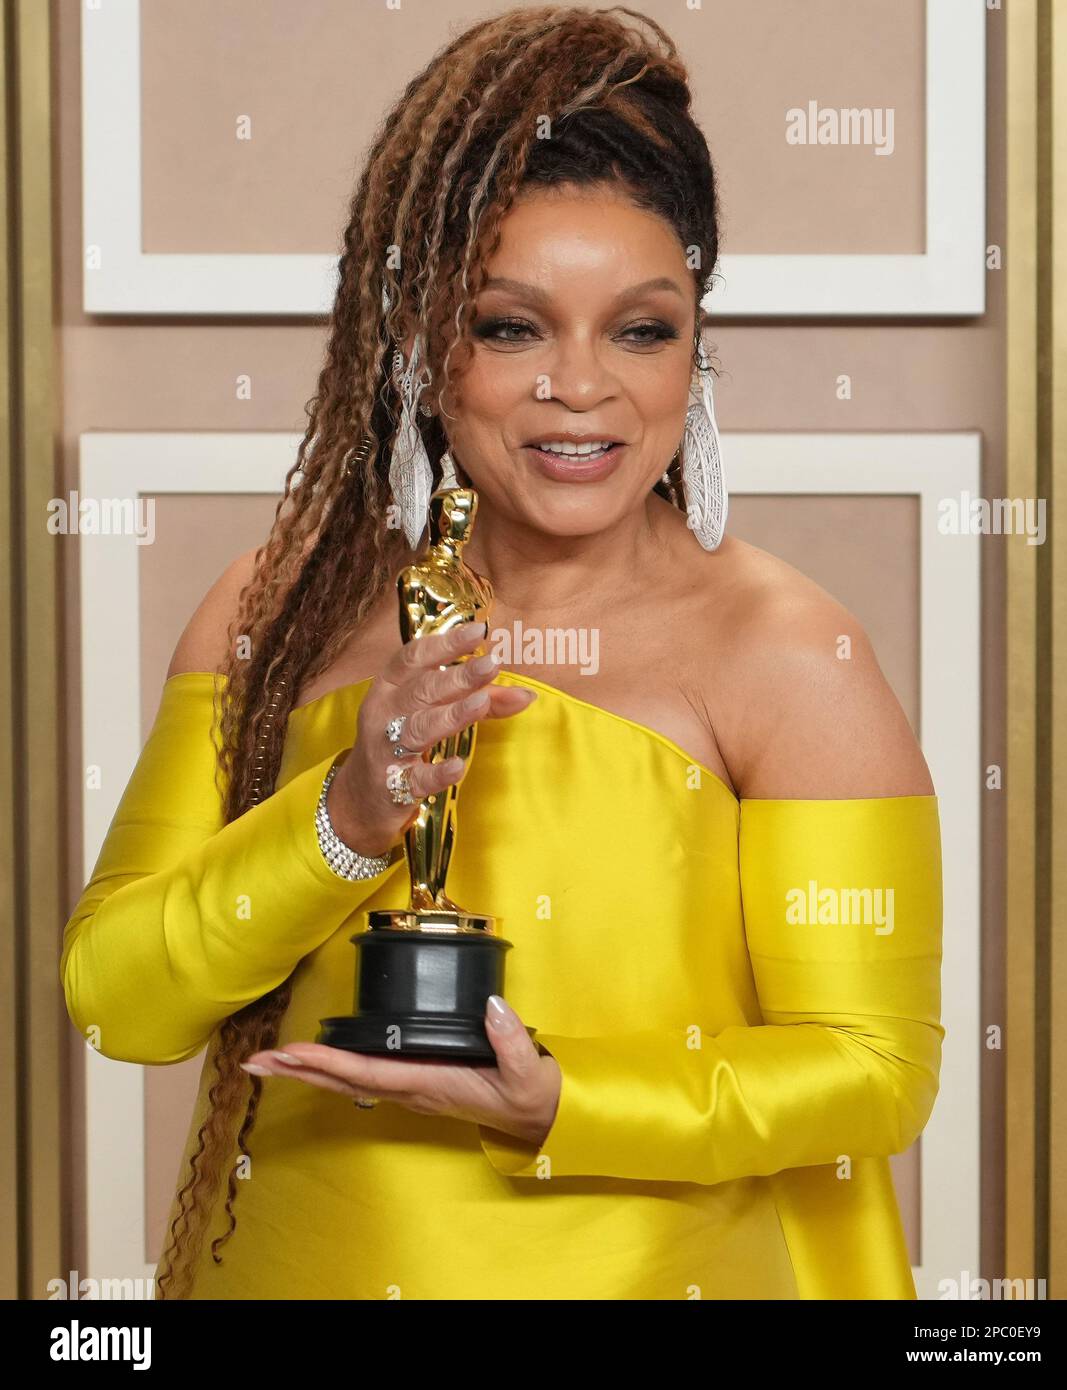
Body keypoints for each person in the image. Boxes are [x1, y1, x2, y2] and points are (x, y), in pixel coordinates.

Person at [61, 5, 943, 1300]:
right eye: (511, 326)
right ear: (420, 349)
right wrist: (345, 821)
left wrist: (567, 1099)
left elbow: (877, 1069)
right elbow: (116, 1000)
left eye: (641, 329)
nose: (581, 388)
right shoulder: (272, 610)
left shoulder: (791, 651)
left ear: (696, 345)